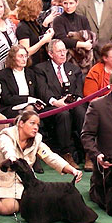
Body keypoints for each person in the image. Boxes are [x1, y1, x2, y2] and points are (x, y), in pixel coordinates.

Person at [0, 108, 82, 216]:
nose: (35, 128)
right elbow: (7, 148)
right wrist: (12, 159)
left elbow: (50, 156)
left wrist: (72, 170)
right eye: (32, 123)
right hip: (2, 181)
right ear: (21, 124)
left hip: (24, 182)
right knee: (10, 207)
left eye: (38, 125)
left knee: (37, 203)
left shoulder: (37, 139)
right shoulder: (6, 135)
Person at [32, 39, 85, 167]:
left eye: (64, 50)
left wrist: (72, 100)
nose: (63, 54)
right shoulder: (40, 69)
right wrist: (56, 102)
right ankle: (66, 153)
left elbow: (78, 91)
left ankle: (87, 151)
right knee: (63, 114)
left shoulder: (74, 69)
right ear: (50, 54)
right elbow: (42, 90)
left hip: (72, 104)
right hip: (51, 106)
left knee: (81, 111)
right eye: (59, 51)